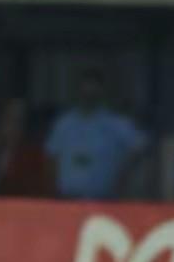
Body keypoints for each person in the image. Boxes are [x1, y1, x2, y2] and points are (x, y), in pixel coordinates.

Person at [45, 68, 147, 200]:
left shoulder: (115, 123)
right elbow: (51, 156)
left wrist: (123, 176)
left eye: (93, 91)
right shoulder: (64, 124)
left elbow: (140, 147)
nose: (88, 95)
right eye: (85, 91)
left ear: (101, 92)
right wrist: (54, 191)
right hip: (68, 198)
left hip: (102, 199)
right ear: (78, 92)